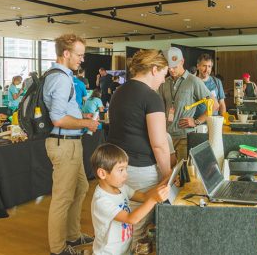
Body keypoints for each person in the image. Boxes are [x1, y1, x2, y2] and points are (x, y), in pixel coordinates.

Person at [107, 49, 172, 248]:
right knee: (137, 230)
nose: (163, 80)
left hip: (117, 168)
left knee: (121, 227)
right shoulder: (151, 98)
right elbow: (159, 144)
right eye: (163, 74)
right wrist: (168, 173)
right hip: (141, 171)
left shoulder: (119, 91)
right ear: (154, 70)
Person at [43, 33, 99, 255]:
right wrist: (86, 122)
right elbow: (58, 119)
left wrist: (81, 117)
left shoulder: (62, 76)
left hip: (71, 142)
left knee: (82, 186)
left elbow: (63, 112)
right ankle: (58, 249)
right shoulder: (60, 78)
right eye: (79, 55)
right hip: (63, 144)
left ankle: (73, 236)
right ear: (66, 54)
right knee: (62, 198)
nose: (82, 59)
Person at [90, 143, 170, 255]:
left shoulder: (121, 188)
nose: (126, 175)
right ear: (102, 173)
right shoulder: (102, 201)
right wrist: (154, 199)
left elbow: (144, 196)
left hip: (124, 250)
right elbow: (131, 219)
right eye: (121, 170)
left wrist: (165, 183)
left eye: (126, 169)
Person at [158, 47, 218, 161]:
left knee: (183, 174)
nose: (171, 70)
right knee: (169, 174)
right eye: (168, 67)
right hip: (166, 138)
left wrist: (197, 121)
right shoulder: (164, 82)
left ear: (182, 61)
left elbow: (214, 104)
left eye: (174, 67)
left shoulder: (193, 81)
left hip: (184, 138)